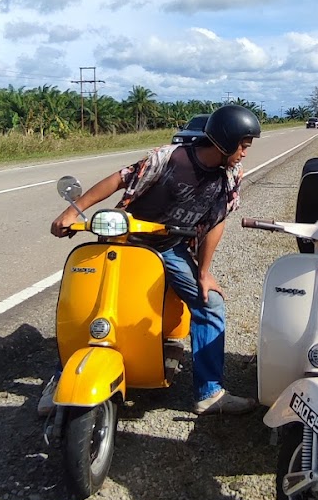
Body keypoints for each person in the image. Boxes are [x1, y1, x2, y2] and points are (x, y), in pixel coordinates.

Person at [39, 104, 261, 418]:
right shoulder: (170, 157)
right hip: (123, 240)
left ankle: (209, 393)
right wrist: (73, 211)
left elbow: (216, 221)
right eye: (242, 146)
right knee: (88, 302)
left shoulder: (229, 176)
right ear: (224, 142)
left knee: (210, 304)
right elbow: (120, 179)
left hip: (170, 247)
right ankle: (61, 376)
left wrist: (204, 272)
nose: (244, 154)